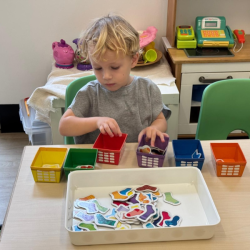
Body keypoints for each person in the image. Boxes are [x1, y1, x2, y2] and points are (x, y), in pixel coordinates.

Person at [59, 14, 171, 146]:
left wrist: (154, 129)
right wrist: (96, 122)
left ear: (133, 60)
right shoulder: (89, 93)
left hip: (136, 160)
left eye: (114, 67)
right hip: (98, 162)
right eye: (98, 68)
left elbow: (160, 120)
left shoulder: (147, 89)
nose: (106, 76)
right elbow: (64, 126)